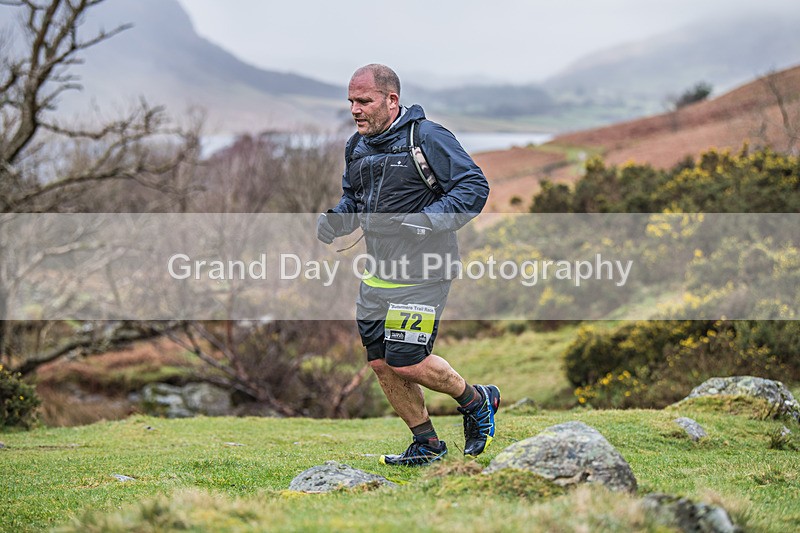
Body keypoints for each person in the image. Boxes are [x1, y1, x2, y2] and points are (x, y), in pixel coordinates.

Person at [316, 64, 498, 466]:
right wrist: (336, 219)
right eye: (351, 101)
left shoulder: (429, 138)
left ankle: (476, 398)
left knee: (408, 359)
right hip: (379, 273)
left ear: (391, 100)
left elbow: (473, 187)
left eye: (364, 101)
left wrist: (424, 221)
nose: (355, 110)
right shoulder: (356, 147)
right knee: (381, 362)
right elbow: (355, 199)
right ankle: (428, 445)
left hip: (425, 269)